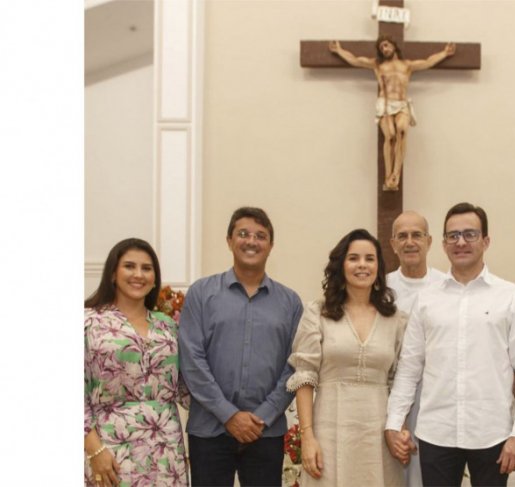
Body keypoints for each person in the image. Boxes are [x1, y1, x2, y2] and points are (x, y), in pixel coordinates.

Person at [386, 202, 515, 486]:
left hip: (492, 433)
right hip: (437, 432)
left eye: (470, 234)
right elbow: (410, 368)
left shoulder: (509, 296)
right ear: (444, 244)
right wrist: (394, 422)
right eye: (453, 235)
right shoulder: (428, 298)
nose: (460, 242)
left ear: (486, 241)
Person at [178, 207, 304, 486]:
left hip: (265, 432)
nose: (251, 241)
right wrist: (229, 414)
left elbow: (294, 366)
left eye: (261, 236)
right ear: (229, 240)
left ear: (271, 245)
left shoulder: (290, 302)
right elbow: (192, 360)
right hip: (209, 430)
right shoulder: (201, 293)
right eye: (243, 234)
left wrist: (263, 416)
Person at [287, 229, 406, 486]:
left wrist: (400, 429)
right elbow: (305, 376)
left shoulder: (396, 319)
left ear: (379, 267)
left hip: (379, 435)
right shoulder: (318, 313)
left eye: (369, 259)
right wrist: (308, 437)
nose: (362, 265)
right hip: (329, 431)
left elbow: (401, 381)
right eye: (353, 258)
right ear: (341, 265)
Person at [84, 238, 189, 486]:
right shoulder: (88, 322)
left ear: (155, 278)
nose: (138, 275)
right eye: (129, 266)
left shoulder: (168, 326)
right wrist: (94, 450)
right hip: (110, 448)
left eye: (147, 268)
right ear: (112, 273)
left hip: (166, 450)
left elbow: (187, 386)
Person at [329, 36, 456, 191]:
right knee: (390, 136)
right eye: (382, 47)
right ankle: (388, 175)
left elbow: (427, 62)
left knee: (402, 131)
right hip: (385, 104)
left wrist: (444, 53)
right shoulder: (378, 65)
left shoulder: (407, 65)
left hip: (402, 104)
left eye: (387, 45)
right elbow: (356, 60)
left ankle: (396, 174)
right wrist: (339, 50)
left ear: (394, 46)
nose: (385, 49)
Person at [385, 210, 446, 486]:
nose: (410, 242)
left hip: (433, 394)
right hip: (388, 389)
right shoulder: (381, 287)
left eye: (417, 235)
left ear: (429, 241)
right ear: (393, 243)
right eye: (402, 236)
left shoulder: (447, 286)